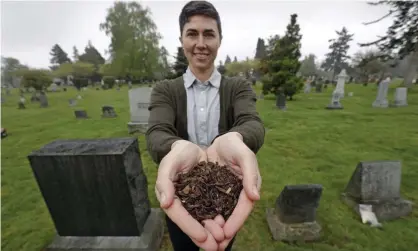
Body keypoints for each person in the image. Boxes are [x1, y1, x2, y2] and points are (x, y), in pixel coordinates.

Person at [145, 1, 265, 251]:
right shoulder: (165, 90)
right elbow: (157, 132)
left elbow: (251, 122)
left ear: (220, 40)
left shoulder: (238, 88)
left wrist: (235, 139)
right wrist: (176, 146)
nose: (201, 43)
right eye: (192, 34)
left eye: (209, 34)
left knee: (221, 245)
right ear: (182, 40)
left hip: (225, 199)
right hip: (181, 192)